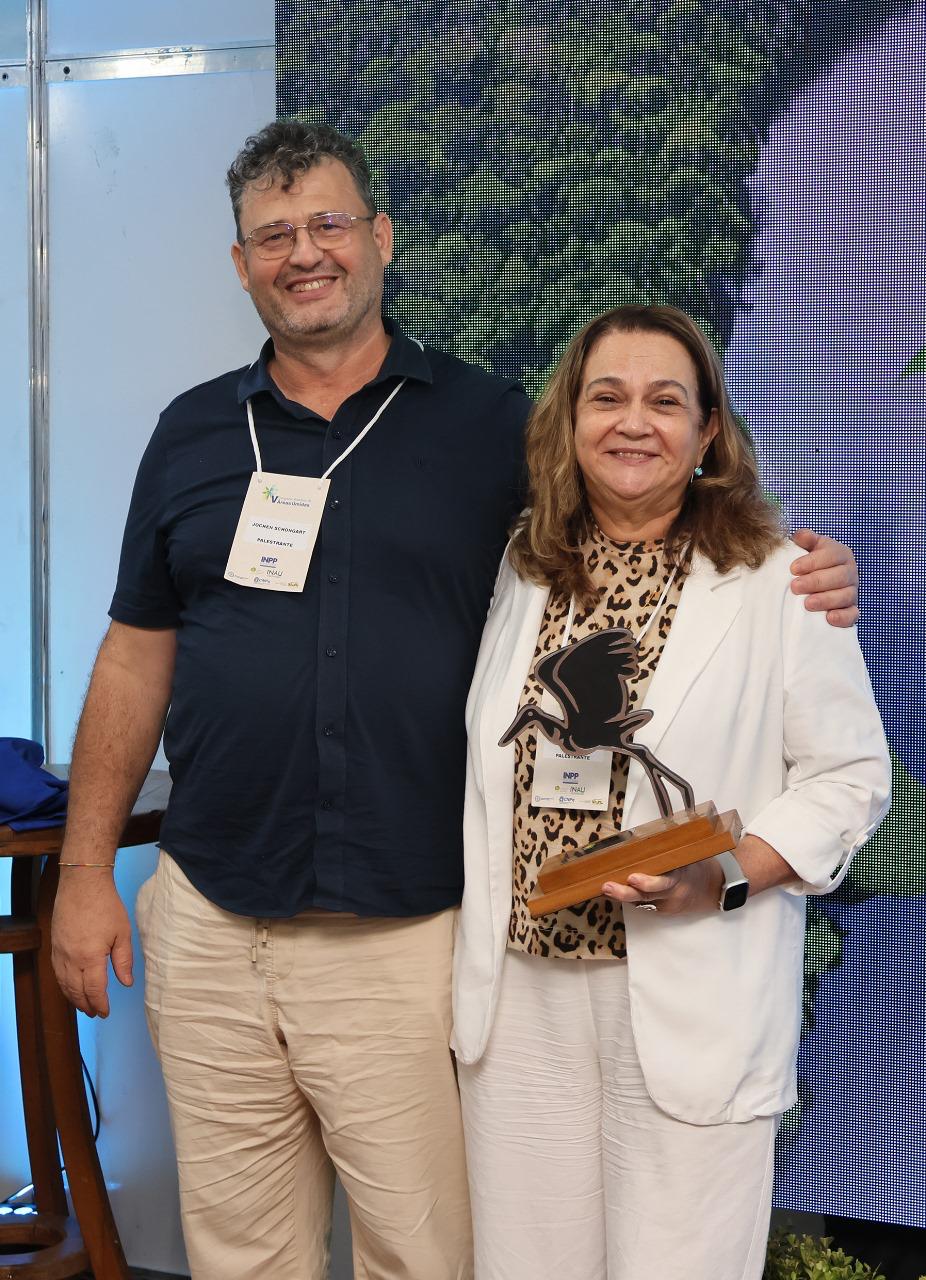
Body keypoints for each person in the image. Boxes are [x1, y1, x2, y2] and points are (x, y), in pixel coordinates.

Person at [49, 121, 861, 1280]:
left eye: (328, 223)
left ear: (380, 237)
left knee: (424, 1255)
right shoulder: (190, 434)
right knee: (239, 1253)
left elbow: (643, 513)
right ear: (240, 262)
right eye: (273, 235)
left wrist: (802, 569)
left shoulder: (487, 426)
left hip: (399, 938)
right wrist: (86, 870)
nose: (304, 252)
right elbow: (133, 656)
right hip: (215, 921)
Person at [451, 303, 891, 1280]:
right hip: (521, 1003)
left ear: (707, 431)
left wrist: (720, 877)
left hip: (687, 990)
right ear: (569, 420)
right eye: (606, 397)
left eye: (664, 401)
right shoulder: (524, 565)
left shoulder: (781, 580)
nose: (632, 422)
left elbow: (848, 778)